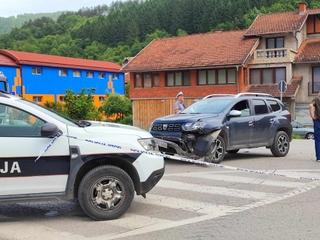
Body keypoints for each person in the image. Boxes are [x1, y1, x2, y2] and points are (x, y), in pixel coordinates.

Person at [309, 93, 320, 161]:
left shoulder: (316, 100)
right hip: (317, 121)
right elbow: (311, 106)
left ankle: (319, 157)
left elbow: (310, 106)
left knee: (318, 140)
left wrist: (313, 116)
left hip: (317, 121)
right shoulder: (316, 100)